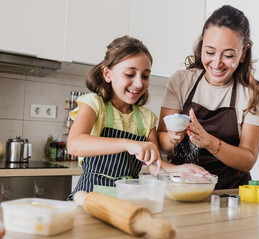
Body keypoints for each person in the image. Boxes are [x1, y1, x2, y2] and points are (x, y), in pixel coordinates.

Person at [67, 36, 207, 200]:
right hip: (89, 198)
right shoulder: (94, 104)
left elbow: (155, 167)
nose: (139, 84)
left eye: (145, 76)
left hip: (126, 200)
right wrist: (127, 144)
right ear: (107, 73)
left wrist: (180, 170)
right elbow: (74, 145)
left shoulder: (146, 117)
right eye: (130, 74)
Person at [157, 5, 259, 189]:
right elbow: (161, 144)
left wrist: (209, 142)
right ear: (202, 46)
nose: (216, 63)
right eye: (210, 52)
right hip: (181, 190)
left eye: (228, 55)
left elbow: (248, 159)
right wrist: (173, 137)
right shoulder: (181, 82)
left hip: (231, 194)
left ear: (243, 53)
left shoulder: (252, 94)